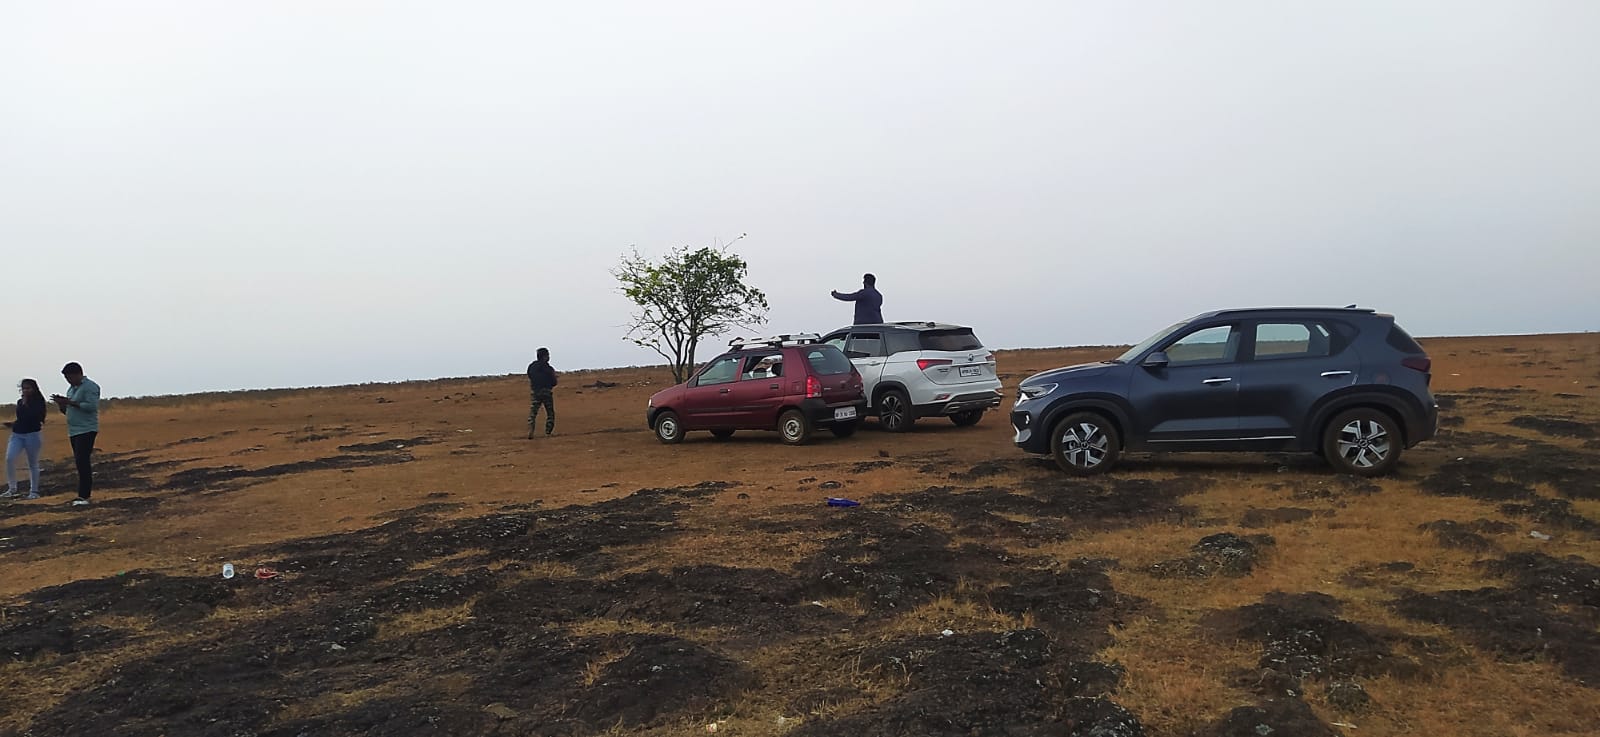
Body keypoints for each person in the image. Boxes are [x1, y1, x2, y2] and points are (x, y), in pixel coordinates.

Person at [49, 362, 99, 507]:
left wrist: (70, 402)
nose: (68, 380)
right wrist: (62, 404)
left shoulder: (90, 387)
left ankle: (84, 495)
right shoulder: (71, 389)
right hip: (74, 430)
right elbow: (68, 411)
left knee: (82, 461)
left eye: (70, 377)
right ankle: (82, 495)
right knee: (79, 462)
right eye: (66, 378)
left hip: (87, 429)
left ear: (78, 374)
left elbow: (91, 407)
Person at [2, 378, 46, 500]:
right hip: (17, 434)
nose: (25, 390)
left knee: (32, 463)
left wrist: (26, 404)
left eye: (28, 388)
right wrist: (13, 424)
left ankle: (34, 491)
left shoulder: (39, 402)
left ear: (34, 389)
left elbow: (35, 417)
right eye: (23, 388)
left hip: (32, 435)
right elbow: (21, 418)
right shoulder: (20, 402)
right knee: (9, 458)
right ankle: (12, 488)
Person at [526, 347, 558, 438]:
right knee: (550, 413)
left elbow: (530, 375)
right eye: (548, 355)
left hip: (535, 392)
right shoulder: (548, 368)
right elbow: (554, 382)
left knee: (533, 412)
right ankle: (548, 432)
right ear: (545, 356)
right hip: (546, 392)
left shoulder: (532, 366)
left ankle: (530, 430)